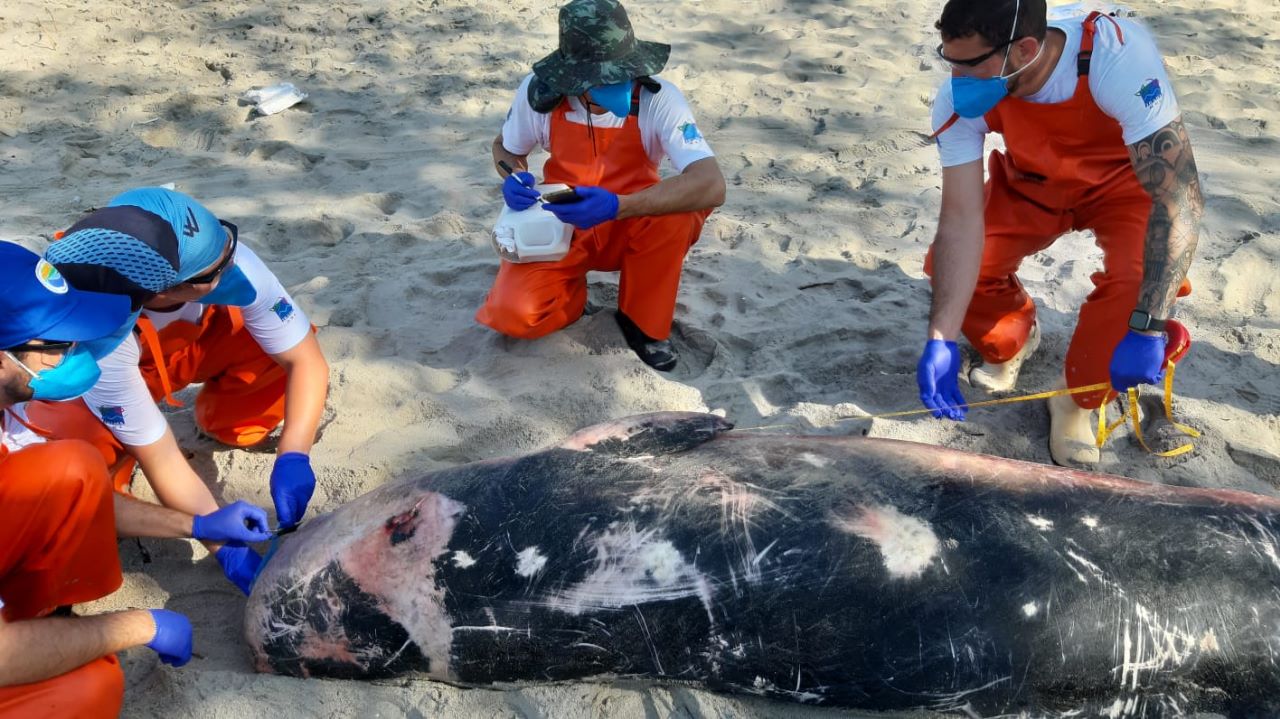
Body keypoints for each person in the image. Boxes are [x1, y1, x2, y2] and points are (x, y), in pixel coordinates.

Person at [917, 0, 1202, 467]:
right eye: (948, 60)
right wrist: (941, 337)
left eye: (970, 65)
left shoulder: (1117, 59)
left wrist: (1149, 324)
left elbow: (1179, 199)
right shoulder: (960, 95)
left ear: (1025, 48)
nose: (955, 78)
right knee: (961, 266)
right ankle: (1014, 337)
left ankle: (1076, 402)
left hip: (1125, 183)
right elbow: (959, 220)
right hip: (1034, 180)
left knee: (1139, 284)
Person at [0, 242, 273, 718]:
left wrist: (199, 525)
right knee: (86, 690)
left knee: (71, 468)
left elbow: (73, 495)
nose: (76, 354)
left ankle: (37, 616)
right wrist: (136, 625)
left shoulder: (9, 409)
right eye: (58, 345)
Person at [36, 187, 330, 594]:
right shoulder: (101, 341)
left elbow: (306, 361)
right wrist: (223, 546)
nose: (232, 261)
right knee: (87, 478)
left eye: (227, 244)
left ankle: (226, 418)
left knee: (266, 352)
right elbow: (161, 458)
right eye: (212, 273)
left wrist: (294, 454)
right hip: (125, 366)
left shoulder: (212, 253)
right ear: (163, 291)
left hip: (186, 346)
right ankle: (115, 458)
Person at [477, 0, 726, 371]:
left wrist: (618, 206)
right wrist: (512, 175)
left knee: (680, 208)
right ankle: (572, 299)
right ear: (573, 79)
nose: (618, 81)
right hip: (562, 224)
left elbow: (711, 184)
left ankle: (643, 323)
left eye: (622, 70)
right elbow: (505, 148)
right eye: (605, 76)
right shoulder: (540, 95)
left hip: (634, 219)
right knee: (514, 316)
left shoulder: (660, 99)